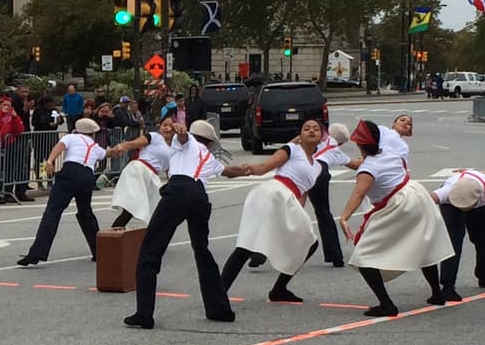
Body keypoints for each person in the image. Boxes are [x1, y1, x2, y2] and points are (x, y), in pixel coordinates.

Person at [124, 121, 244, 329]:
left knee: (150, 251)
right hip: (200, 198)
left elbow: (183, 138)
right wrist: (250, 170)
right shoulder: (209, 157)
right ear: (210, 142)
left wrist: (181, 132)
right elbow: (228, 171)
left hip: (179, 191)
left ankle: (144, 313)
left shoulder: (187, 144)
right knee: (202, 252)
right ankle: (219, 309)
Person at [338, 120, 453, 317]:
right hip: (417, 195)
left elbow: (358, 194)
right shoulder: (389, 154)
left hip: (399, 204)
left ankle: (387, 304)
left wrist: (344, 218)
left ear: (359, 144)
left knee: (363, 256)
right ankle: (437, 293)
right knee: (423, 244)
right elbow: (364, 163)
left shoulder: (368, 169)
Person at [218, 119, 324, 303]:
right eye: (306, 128)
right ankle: (217, 292)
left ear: (322, 136)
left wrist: (297, 213)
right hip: (273, 193)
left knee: (310, 243)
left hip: (288, 201)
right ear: (300, 135)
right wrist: (247, 169)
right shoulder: (291, 149)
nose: (311, 131)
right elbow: (265, 167)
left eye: (316, 129)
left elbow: (302, 191)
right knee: (246, 246)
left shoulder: (318, 166)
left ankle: (279, 289)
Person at [17, 117, 105, 266]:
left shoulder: (71, 137)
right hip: (87, 177)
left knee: (53, 212)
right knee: (86, 213)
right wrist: (121, 148)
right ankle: (99, 251)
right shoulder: (96, 146)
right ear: (93, 134)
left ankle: (37, 253)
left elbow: (59, 147)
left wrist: (50, 161)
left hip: (69, 172)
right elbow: (108, 154)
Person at [431, 169, 485, 302]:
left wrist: (474, 171)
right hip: (451, 205)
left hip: (478, 203)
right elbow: (427, 199)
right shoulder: (446, 192)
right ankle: (447, 286)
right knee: (453, 242)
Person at [108, 114, 174, 228]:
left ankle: (151, 239)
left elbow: (170, 172)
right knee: (131, 206)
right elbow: (135, 143)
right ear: (160, 127)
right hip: (139, 170)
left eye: (170, 126)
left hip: (152, 178)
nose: (167, 128)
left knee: (157, 209)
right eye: (165, 125)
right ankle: (113, 237)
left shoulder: (174, 149)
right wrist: (123, 146)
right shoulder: (154, 137)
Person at [308, 122, 352, 267]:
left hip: (303, 169)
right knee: (324, 213)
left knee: (288, 208)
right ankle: (335, 255)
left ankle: (261, 251)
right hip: (321, 172)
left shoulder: (317, 140)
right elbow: (354, 164)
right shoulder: (335, 149)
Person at [0, 94, 25, 203]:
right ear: (0, 105)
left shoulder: (13, 116)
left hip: (9, 145)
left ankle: (7, 191)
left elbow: (19, 130)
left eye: (9, 105)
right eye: (5, 104)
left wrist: (15, 117)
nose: (7, 107)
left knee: (9, 169)